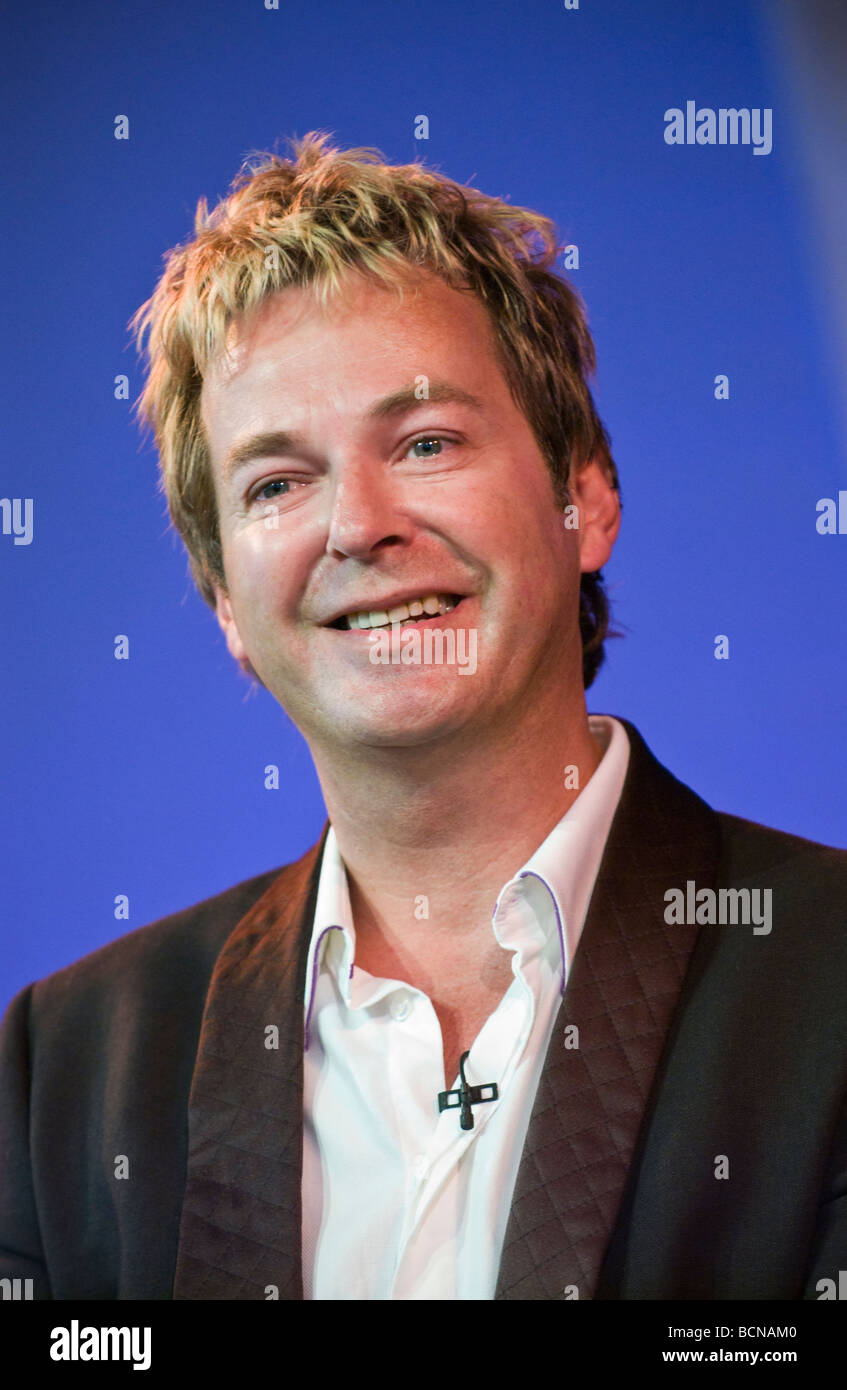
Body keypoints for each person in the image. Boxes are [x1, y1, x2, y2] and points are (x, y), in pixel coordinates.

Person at [1, 132, 845, 1302]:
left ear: (584, 500)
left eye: (426, 442)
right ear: (224, 603)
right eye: (277, 483)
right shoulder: (64, 1072)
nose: (359, 525)